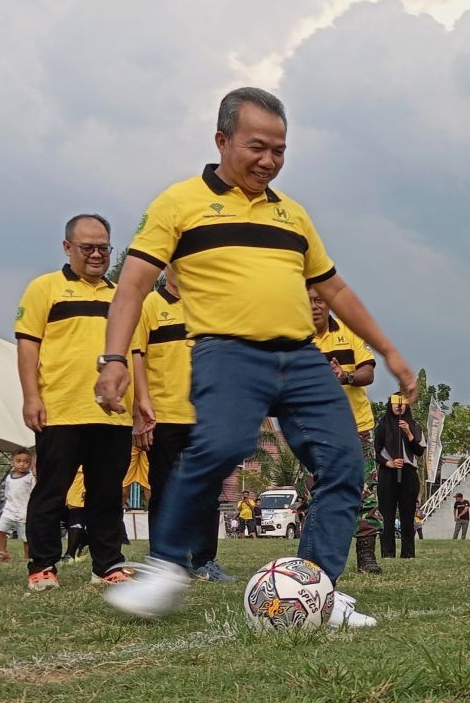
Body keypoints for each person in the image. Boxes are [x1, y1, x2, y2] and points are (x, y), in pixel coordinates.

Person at [96, 87, 415, 625]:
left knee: (343, 465)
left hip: (302, 357)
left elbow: (334, 290)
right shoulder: (178, 204)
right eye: (257, 147)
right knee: (221, 446)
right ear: (222, 140)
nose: (269, 160)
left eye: (280, 150)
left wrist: (389, 351)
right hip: (229, 352)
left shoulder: (292, 215)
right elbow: (131, 285)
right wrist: (113, 360)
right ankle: (168, 566)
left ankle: (316, 589)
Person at [17, 214, 135, 591]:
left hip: (113, 414)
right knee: (52, 490)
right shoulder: (44, 289)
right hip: (61, 409)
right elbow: (27, 345)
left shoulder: (123, 295)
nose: (97, 255)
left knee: (106, 493)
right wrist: (31, 397)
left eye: (104, 247)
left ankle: (107, 565)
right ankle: (43, 566)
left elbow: (136, 352)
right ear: (68, 247)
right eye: (88, 248)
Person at [132, 269, 235, 582]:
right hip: (163, 415)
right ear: (167, 268)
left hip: (205, 415)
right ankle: (166, 562)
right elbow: (136, 356)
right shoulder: (148, 304)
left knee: (208, 490)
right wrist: (140, 408)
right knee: (162, 491)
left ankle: (204, 560)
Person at [309, 287, 382, 574]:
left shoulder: (349, 333)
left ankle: (366, 557)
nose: (315, 306)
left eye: (320, 300)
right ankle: (315, 560)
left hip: (357, 428)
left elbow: (369, 372)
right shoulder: (294, 338)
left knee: (364, 494)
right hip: (315, 430)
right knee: (316, 495)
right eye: (308, 300)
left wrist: (345, 375)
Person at [375, 394, 424, 559]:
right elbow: (375, 450)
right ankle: (387, 552)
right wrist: (388, 463)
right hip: (388, 472)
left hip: (408, 473)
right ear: (390, 405)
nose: (399, 407)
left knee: (407, 515)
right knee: (387, 515)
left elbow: (419, 451)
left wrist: (408, 433)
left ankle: (408, 553)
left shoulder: (414, 426)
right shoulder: (382, 425)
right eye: (395, 403)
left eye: (402, 404)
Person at [0, 449, 35, 562]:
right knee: (1, 530)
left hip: (24, 512)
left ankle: (28, 557)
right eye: (18, 461)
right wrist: (3, 508)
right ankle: (2, 553)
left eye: (26, 461)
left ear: (30, 463)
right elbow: (8, 494)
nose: (22, 464)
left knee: (26, 538)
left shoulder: (30, 478)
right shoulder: (9, 477)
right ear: (12, 462)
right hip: (9, 511)